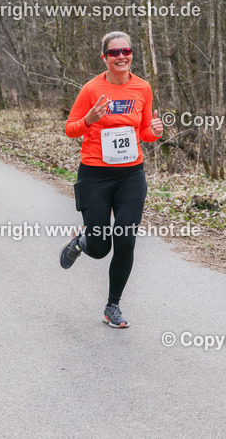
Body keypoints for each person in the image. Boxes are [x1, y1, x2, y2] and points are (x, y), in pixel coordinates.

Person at [59, 31, 163, 328]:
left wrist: (154, 131)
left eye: (126, 51)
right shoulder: (92, 89)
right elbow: (70, 129)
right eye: (114, 52)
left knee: (126, 239)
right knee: (101, 246)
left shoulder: (142, 88)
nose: (121, 56)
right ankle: (81, 242)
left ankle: (112, 306)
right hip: (95, 175)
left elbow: (143, 132)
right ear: (104, 57)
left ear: (131, 54)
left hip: (131, 174)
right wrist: (89, 119)